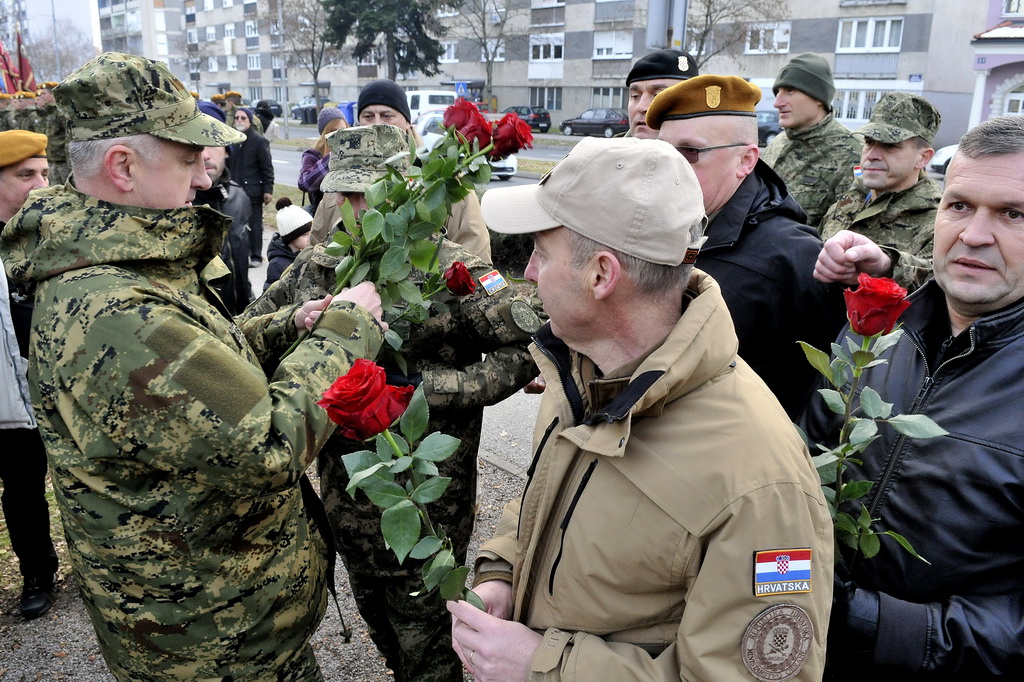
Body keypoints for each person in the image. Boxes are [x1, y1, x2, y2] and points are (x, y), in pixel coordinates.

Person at [0, 52, 387, 681]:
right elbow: (264, 442)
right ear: (122, 166)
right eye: (186, 159)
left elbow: (201, 370)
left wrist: (288, 325)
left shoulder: (117, 268)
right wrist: (348, 328)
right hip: (213, 646)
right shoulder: (112, 308)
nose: (204, 181)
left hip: (222, 626)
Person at [450, 136, 832, 682]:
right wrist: (504, 575)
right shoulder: (585, 374)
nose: (529, 272)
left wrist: (542, 668)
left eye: (541, 250)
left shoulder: (762, 485)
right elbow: (547, 500)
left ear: (601, 275)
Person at [242, 123, 541, 682]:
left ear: (405, 188)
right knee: (383, 631)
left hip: (430, 505)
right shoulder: (317, 268)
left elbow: (528, 346)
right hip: (349, 501)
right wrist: (294, 321)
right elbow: (242, 338)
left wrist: (433, 394)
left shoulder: (451, 271)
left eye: (369, 192)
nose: (356, 206)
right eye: (344, 194)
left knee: (431, 652)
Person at [802, 114, 1024, 679]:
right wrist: (780, 584)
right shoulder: (873, 334)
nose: (973, 235)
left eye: (1013, 214)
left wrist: (867, 623)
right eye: (959, 206)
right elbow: (795, 482)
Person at [648, 73, 846, 419]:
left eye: (689, 153)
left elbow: (836, 386)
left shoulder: (795, 258)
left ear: (745, 161)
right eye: (662, 152)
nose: (671, 168)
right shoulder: (660, 225)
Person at [309, 79, 492, 263]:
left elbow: (475, 258)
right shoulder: (340, 184)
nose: (377, 124)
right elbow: (314, 254)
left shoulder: (444, 184)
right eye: (368, 116)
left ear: (407, 123)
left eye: (387, 115)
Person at [0, 129, 58, 620]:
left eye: (44, 173)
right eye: (25, 175)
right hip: (3, 396)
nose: (40, 184)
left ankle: (40, 574)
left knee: (29, 491)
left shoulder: (53, 240)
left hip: (45, 393)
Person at [816, 92, 943, 291]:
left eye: (890, 146)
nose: (872, 155)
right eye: (868, 142)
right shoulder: (851, 198)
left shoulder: (939, 218)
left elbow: (939, 282)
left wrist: (886, 266)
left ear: (923, 158)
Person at [761, 53, 861, 229]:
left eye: (789, 91)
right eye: (777, 93)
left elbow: (846, 231)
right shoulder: (777, 143)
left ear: (818, 98)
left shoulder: (853, 150)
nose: (777, 103)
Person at [193, 101, 254, 315]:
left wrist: (248, 298)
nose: (204, 155)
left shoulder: (239, 196)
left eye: (211, 143)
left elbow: (240, 259)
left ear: (227, 150)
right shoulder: (179, 204)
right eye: (195, 146)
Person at [228, 106, 274, 266]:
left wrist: (268, 189)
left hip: (253, 191)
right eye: (237, 118)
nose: (239, 121)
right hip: (233, 190)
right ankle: (240, 255)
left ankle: (255, 256)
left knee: (254, 225)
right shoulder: (231, 141)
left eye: (243, 118)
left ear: (249, 121)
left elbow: (267, 167)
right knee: (235, 225)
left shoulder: (259, 141)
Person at [624, 49, 698, 139]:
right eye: (635, 96)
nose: (641, 107)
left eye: (657, 96)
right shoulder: (607, 152)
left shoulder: (713, 152)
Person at [299, 106, 348, 215]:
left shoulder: (350, 152)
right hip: (323, 217)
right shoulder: (313, 155)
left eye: (344, 130)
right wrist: (332, 157)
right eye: (334, 131)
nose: (340, 135)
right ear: (325, 133)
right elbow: (305, 183)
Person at [265, 199, 312, 291]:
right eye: (304, 234)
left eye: (311, 233)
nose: (309, 238)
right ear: (291, 237)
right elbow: (271, 292)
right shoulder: (277, 264)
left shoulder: (304, 254)